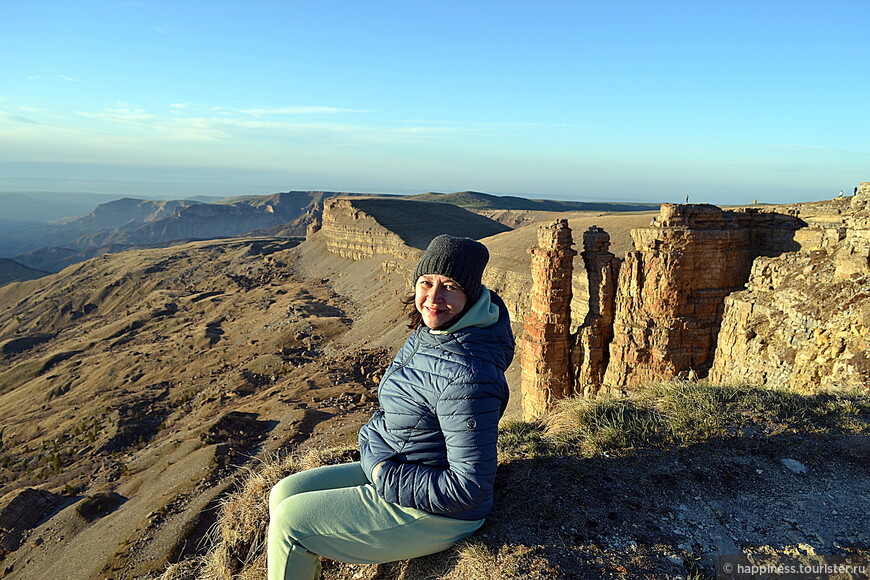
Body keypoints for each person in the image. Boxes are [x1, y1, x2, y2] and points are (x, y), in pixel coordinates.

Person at [267, 234, 515, 580]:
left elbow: (469, 491)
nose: (433, 298)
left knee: (291, 523)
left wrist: (385, 474)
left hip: (438, 511)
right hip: (402, 466)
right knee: (285, 492)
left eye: (451, 287)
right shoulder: (437, 332)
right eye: (426, 283)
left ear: (470, 295)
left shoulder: (469, 376)